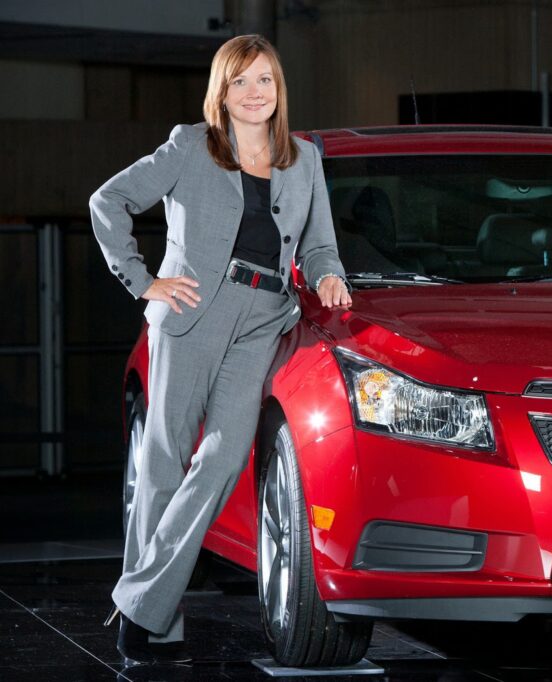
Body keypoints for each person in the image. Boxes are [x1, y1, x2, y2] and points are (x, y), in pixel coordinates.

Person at [89, 34, 350, 665]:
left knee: (225, 457)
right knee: (163, 463)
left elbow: (319, 245)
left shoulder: (304, 160)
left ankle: (138, 602)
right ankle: (151, 621)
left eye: (265, 80)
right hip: (191, 312)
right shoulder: (190, 146)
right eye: (240, 81)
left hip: (263, 319)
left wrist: (328, 275)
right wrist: (143, 280)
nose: (254, 93)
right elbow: (108, 201)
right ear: (222, 91)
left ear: (278, 88)